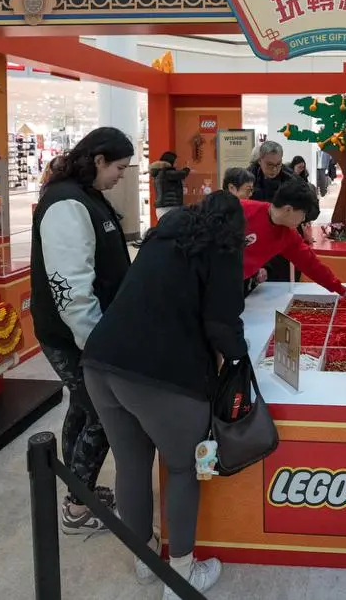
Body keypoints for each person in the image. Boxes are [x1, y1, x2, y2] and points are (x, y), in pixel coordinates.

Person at [83, 190, 248, 598]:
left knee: (131, 466)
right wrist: (241, 360)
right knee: (180, 469)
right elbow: (222, 323)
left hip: (101, 362)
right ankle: (181, 576)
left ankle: (145, 561)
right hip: (161, 375)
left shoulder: (161, 236)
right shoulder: (223, 247)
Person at [29, 127, 134, 533]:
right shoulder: (66, 204)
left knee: (83, 405)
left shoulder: (85, 196)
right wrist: (97, 344)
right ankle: (78, 507)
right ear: (98, 160)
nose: (122, 176)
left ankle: (76, 486)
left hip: (87, 333)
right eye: (120, 168)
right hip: (75, 335)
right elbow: (70, 289)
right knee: (105, 415)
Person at [242, 179, 346, 301]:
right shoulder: (242, 210)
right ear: (288, 209)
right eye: (303, 213)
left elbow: (311, 264)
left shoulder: (288, 235)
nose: (304, 219)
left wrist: (341, 289)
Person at [249, 140, 300, 282]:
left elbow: (312, 209)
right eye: (269, 165)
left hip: (284, 238)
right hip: (256, 240)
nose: (274, 169)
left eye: (278, 165)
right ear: (260, 160)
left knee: (285, 283)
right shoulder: (247, 179)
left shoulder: (292, 179)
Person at [149, 151, 190, 221]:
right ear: (170, 162)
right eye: (175, 162)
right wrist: (187, 169)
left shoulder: (160, 172)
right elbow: (183, 174)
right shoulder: (166, 172)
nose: (176, 164)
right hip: (168, 207)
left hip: (164, 207)